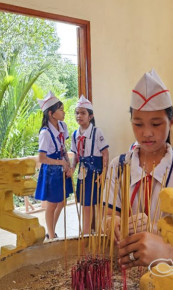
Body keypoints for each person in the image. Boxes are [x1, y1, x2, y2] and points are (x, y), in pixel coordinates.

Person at [105, 69, 173, 241]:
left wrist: (153, 229)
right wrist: (113, 223)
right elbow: (108, 215)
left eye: (155, 124)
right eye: (138, 124)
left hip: (167, 263)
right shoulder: (119, 166)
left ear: (171, 121)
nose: (146, 133)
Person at [35, 91, 74, 240]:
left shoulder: (62, 126)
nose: (64, 112)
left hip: (62, 168)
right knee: (51, 205)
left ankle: (51, 230)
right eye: (61, 109)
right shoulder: (45, 133)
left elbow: (63, 148)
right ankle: (51, 236)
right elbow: (42, 158)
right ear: (51, 113)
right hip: (51, 170)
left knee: (62, 201)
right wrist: (61, 163)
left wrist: (68, 166)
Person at [71, 96, 109, 235]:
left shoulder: (96, 132)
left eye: (83, 113)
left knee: (99, 202)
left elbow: (105, 153)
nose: (79, 116)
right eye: (77, 112)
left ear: (90, 116)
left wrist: (104, 173)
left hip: (96, 171)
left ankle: (101, 229)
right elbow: (75, 156)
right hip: (83, 171)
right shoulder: (75, 134)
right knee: (85, 203)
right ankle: (86, 230)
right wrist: (72, 169)